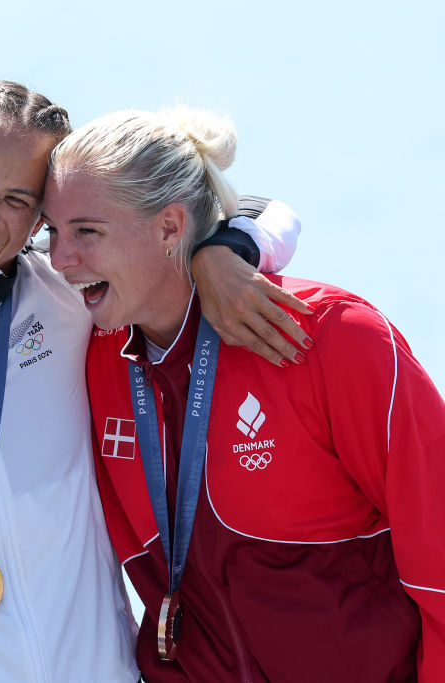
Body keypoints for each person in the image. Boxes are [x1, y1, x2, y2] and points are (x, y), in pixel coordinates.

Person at [0, 82, 307, 682]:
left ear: (40, 217)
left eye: (17, 200)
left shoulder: (69, 295)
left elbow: (270, 211)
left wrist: (221, 252)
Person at [43, 106, 445, 681]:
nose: (60, 259)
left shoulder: (330, 335)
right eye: (51, 231)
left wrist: (226, 246)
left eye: (86, 231)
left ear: (170, 227)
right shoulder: (83, 351)